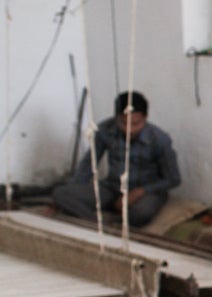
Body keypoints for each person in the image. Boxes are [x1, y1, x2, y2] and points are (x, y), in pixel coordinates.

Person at [53, 91, 180, 228]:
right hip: (113, 187)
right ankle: (100, 225)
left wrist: (139, 192)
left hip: (146, 192)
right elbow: (89, 164)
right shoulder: (105, 130)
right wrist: (72, 191)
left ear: (145, 118)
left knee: (141, 213)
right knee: (61, 194)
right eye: (123, 123)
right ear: (116, 118)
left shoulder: (159, 139)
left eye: (135, 124)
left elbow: (173, 179)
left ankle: (117, 222)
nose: (129, 130)